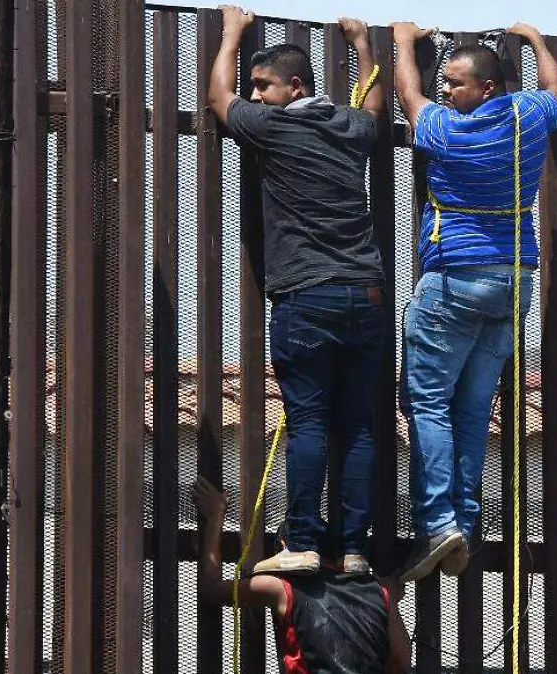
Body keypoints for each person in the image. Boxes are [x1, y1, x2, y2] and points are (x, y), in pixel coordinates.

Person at [208, 6, 387, 576]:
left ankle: (306, 541)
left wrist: (233, 33)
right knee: (358, 425)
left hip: (307, 296)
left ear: (296, 87)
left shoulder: (272, 127)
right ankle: (355, 549)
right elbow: (373, 108)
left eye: (264, 86)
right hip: (367, 294)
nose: (254, 96)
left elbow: (217, 96)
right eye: (253, 87)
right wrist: (361, 46)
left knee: (309, 421)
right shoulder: (347, 126)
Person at [389, 21, 557, 583]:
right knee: (469, 410)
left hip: (454, 280)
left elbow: (407, 97)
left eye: (456, 83)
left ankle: (440, 520)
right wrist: (538, 41)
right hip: (513, 282)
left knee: (426, 404)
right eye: (443, 81)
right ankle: (462, 524)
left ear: (487, 88)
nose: (444, 91)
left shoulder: (446, 131)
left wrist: (400, 44)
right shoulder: (526, 117)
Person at [194, 477, 412, 674]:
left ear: (284, 546)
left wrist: (215, 519)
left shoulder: (283, 588)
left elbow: (211, 589)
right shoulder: (379, 592)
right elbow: (400, 660)